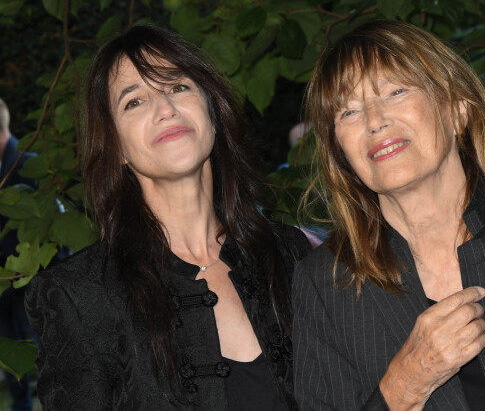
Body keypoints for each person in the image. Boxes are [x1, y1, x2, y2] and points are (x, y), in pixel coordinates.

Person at [293, 19, 485, 410]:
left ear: (458, 111)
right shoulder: (326, 286)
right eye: (348, 112)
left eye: (395, 91)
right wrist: (403, 385)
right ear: (340, 154)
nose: (375, 121)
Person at [25, 24, 311, 410]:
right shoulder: (80, 298)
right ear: (116, 148)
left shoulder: (289, 255)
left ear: (212, 111)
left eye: (177, 87)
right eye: (134, 101)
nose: (165, 108)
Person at [0, 97, 37, 411]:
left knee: (48, 350)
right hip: (2, 286)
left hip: (33, 281)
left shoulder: (31, 164)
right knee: (11, 354)